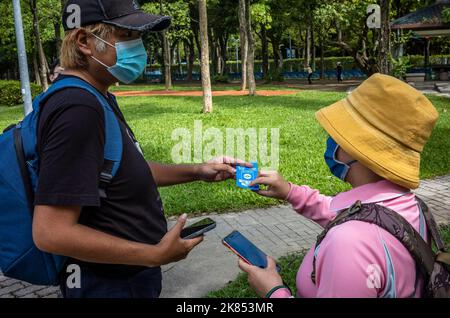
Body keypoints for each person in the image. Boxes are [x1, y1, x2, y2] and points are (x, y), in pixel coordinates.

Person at [32, 0, 248, 298]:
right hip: (106, 284)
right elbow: (50, 233)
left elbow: (118, 170)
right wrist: (152, 255)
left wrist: (198, 170)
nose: (139, 48)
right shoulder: (77, 108)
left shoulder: (95, 95)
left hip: (123, 278)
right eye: (127, 36)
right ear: (84, 42)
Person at [238, 73, 439, 298]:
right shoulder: (412, 207)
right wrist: (291, 192)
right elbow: (357, 216)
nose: (330, 138)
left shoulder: (348, 244)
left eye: (338, 134)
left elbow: (356, 230)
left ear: (359, 150)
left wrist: (273, 291)